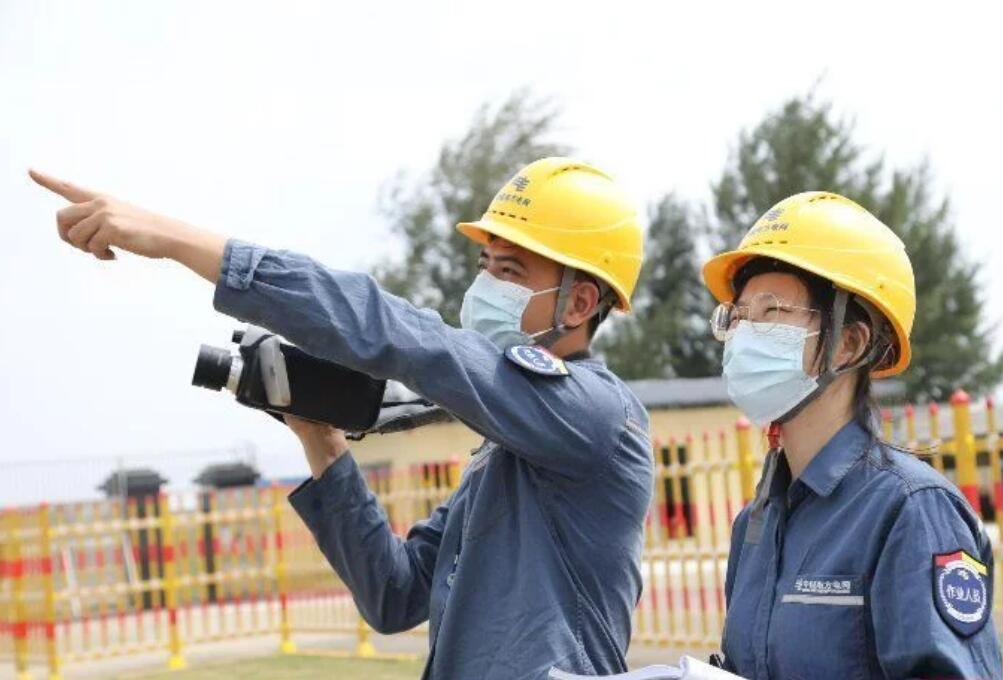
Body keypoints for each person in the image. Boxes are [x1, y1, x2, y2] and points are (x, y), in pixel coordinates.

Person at [30, 157, 653, 678]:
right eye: (485, 266)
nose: (486, 287)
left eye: (511, 272)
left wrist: (178, 241)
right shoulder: (507, 450)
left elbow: (407, 337)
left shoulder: (599, 419)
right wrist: (320, 439)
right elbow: (395, 593)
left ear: (579, 302)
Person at [701, 191, 1003, 678]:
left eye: (771, 312)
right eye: (737, 316)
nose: (744, 333)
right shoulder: (754, 524)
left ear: (847, 342)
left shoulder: (910, 510)